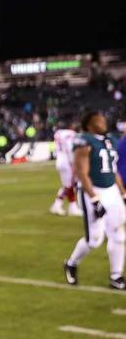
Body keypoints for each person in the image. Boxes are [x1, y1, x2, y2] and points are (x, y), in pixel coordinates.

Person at [63, 112, 126, 290]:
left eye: (103, 119)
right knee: (95, 240)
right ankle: (71, 263)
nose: (103, 122)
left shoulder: (110, 140)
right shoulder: (84, 141)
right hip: (94, 190)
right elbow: (82, 172)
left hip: (112, 190)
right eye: (98, 120)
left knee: (119, 235)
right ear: (89, 124)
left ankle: (116, 277)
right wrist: (94, 199)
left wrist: (123, 194)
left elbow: (113, 171)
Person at [51, 122, 82, 216]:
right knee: (71, 185)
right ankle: (72, 207)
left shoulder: (58, 133)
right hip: (68, 161)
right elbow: (70, 148)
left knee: (68, 185)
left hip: (59, 159)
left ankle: (57, 205)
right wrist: (74, 162)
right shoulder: (71, 134)